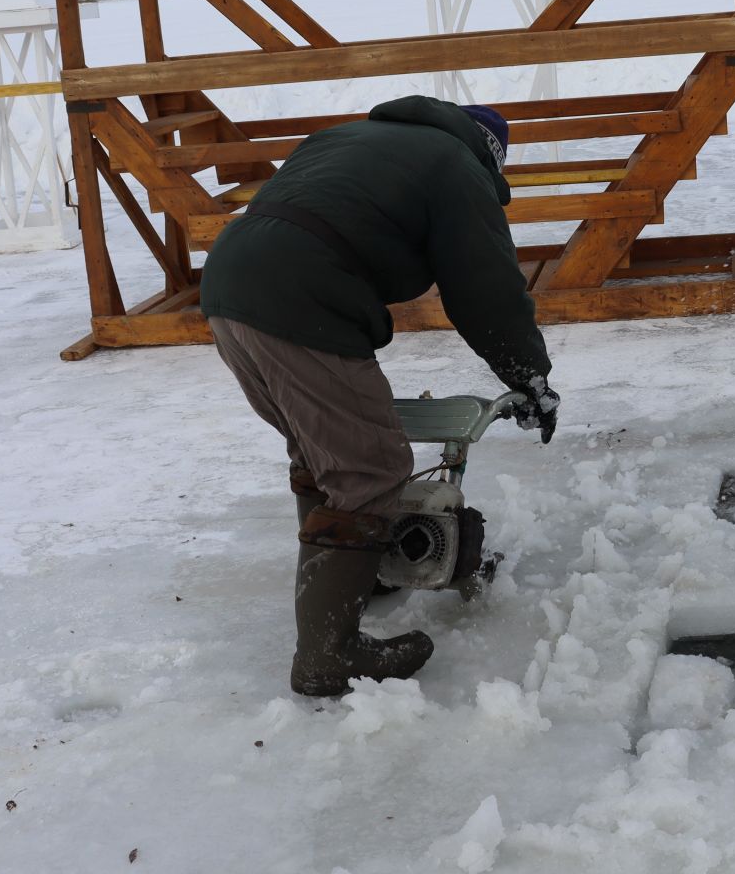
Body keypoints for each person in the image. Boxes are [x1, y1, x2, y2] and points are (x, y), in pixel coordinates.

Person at [199, 96, 559, 696]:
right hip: (300, 296)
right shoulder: (459, 166)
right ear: (492, 156)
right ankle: (327, 652)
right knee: (369, 466)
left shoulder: (348, 136)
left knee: (320, 454)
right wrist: (530, 376)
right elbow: (487, 289)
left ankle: (358, 581)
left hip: (227, 287)